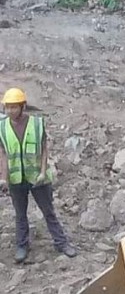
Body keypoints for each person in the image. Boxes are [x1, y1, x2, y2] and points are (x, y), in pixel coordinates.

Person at [0, 87, 74, 264]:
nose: (10, 110)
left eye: (13, 107)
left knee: (48, 212)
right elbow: (3, 153)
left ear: (22, 106)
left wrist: (42, 172)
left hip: (38, 179)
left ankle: (62, 243)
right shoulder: (2, 127)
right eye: (7, 107)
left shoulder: (37, 124)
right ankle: (22, 246)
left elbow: (43, 149)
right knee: (20, 214)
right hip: (17, 180)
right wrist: (4, 177)